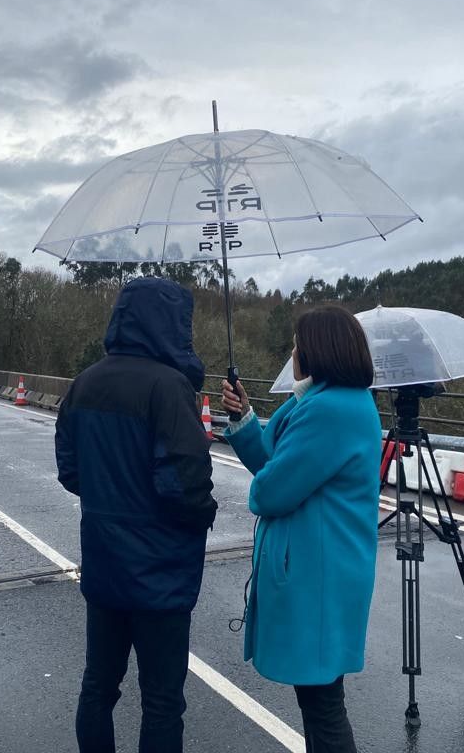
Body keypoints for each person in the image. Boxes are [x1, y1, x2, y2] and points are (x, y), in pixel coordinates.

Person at [55, 277, 217, 753]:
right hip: (161, 575)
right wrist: (203, 514)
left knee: (99, 688)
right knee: (163, 701)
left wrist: (109, 498)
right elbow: (184, 485)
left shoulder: (85, 382)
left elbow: (70, 472)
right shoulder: (170, 388)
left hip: (105, 564)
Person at [221, 305, 381, 753]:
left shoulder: (330, 410)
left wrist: (264, 487)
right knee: (320, 699)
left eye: (296, 343)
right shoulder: (323, 402)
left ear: (316, 351)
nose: (292, 351)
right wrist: (245, 417)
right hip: (326, 571)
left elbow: (270, 491)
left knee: (323, 705)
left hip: (319, 577)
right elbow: (275, 463)